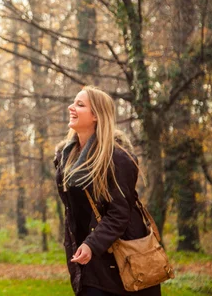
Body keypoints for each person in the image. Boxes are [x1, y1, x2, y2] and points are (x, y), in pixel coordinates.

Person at [54, 86, 161, 296]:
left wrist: (91, 245)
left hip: (125, 259)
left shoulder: (118, 158)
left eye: (80, 104)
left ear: (96, 116)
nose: (71, 107)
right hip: (88, 259)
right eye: (73, 102)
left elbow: (119, 213)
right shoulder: (65, 157)